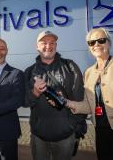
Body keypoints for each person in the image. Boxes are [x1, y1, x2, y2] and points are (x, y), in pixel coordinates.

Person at [24, 30, 87, 160]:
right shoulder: (29, 71)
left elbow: (80, 100)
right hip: (38, 136)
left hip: (65, 136)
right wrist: (35, 93)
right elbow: (24, 102)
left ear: (56, 46)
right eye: (44, 43)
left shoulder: (70, 66)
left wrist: (76, 128)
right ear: (37, 46)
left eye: (52, 43)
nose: (48, 46)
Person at [66, 28, 113, 160]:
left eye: (101, 40)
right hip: (100, 129)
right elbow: (88, 104)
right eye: (91, 43)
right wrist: (66, 102)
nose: (96, 45)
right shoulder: (88, 72)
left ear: (109, 43)